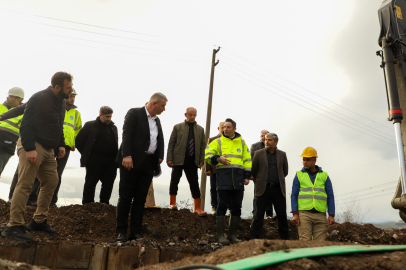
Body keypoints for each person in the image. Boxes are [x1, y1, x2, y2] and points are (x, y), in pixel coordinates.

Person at [1, 72, 73, 241]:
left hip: (49, 148)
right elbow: (26, 124)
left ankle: (38, 221)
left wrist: (61, 144)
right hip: (33, 144)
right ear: (57, 87)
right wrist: (29, 148)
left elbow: (58, 124)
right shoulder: (39, 98)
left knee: (51, 181)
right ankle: (14, 225)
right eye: (68, 87)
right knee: (25, 183)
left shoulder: (61, 102)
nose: (71, 90)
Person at [6, 89, 82, 207]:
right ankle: (17, 199)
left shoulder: (74, 112)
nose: (72, 98)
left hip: (61, 144)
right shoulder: (44, 100)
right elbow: (23, 113)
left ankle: (41, 201)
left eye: (74, 96)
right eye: (70, 95)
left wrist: (69, 143)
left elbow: (73, 129)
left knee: (53, 176)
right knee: (27, 171)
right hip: (41, 141)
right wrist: (2, 116)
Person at [116, 93, 167, 242]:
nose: (164, 109)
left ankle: (135, 232)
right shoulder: (135, 113)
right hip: (130, 161)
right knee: (125, 197)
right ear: (154, 104)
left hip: (148, 164)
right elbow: (127, 134)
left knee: (140, 199)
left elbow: (159, 138)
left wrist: (160, 155)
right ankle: (121, 232)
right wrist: (127, 155)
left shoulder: (157, 121)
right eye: (163, 106)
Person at [205, 118, 251, 245]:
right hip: (223, 178)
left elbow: (247, 160)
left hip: (238, 179)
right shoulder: (217, 141)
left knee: (236, 207)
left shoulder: (242, 143)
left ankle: (231, 235)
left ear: (234, 129)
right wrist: (217, 158)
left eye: (228, 127)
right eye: (224, 127)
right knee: (222, 206)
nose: (225, 129)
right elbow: (207, 155)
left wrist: (247, 176)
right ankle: (220, 235)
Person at [167, 107, 207, 216]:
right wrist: (169, 158)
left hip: (192, 160)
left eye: (194, 115)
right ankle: (172, 203)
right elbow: (171, 143)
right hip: (178, 159)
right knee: (174, 180)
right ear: (186, 115)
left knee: (194, 183)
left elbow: (203, 146)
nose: (192, 117)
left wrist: (201, 160)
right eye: (191, 115)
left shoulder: (200, 129)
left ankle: (197, 208)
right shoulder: (177, 127)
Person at [250, 133, 289, 240]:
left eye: (270, 140)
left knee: (281, 215)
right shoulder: (258, 153)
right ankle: (254, 237)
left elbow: (285, 171)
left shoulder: (282, 154)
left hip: (278, 188)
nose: (267, 141)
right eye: (266, 139)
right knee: (258, 214)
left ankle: (285, 238)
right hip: (263, 188)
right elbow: (254, 170)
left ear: (276, 142)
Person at [291, 147, 335, 241]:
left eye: (307, 160)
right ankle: (304, 257)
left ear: (314, 160)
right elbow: (294, 195)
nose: (305, 162)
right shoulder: (299, 175)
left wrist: (331, 214)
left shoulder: (324, 176)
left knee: (320, 244)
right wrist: (295, 213)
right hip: (304, 214)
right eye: (303, 160)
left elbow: (330, 195)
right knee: (304, 242)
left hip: (320, 215)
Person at [76, 106, 118, 205]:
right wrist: (87, 153)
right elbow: (78, 141)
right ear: (100, 115)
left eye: (110, 117)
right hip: (94, 159)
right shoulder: (90, 125)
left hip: (111, 161)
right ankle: (88, 204)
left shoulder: (113, 127)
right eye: (106, 116)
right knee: (91, 182)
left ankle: (104, 204)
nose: (109, 119)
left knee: (108, 182)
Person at [0, 87, 24, 176]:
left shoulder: (24, 114)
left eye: (10, 96)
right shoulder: (0, 107)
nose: (7, 97)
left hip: (6, 146)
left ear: (18, 99)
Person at [250, 130, 274, 219]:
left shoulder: (273, 147)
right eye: (262, 136)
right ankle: (255, 213)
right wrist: (251, 174)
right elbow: (251, 160)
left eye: (265, 135)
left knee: (270, 194)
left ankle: (269, 214)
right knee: (258, 194)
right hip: (258, 175)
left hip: (270, 175)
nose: (263, 137)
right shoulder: (255, 146)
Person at [204, 121, 225, 215]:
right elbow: (207, 154)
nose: (224, 129)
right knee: (214, 188)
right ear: (218, 128)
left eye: (226, 127)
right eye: (222, 127)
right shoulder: (212, 140)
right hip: (214, 168)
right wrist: (207, 168)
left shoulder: (230, 140)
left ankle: (225, 208)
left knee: (225, 189)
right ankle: (214, 207)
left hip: (226, 169)